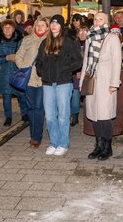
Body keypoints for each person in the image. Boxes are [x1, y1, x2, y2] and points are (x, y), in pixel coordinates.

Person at [35, 14, 83, 156]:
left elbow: (78, 61)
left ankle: (63, 143)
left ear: (61, 26)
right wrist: (42, 72)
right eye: (52, 23)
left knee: (63, 115)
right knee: (50, 116)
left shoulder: (68, 42)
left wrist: (65, 70)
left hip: (63, 83)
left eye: (57, 23)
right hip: (48, 83)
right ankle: (53, 142)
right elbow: (39, 61)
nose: (54, 26)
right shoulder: (45, 42)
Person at [80, 12, 122, 161]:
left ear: (106, 22)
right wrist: (82, 82)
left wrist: (114, 83)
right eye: (95, 19)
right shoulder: (90, 37)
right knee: (94, 116)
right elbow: (86, 60)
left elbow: (117, 62)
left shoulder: (112, 38)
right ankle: (98, 146)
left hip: (106, 82)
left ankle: (107, 147)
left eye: (100, 19)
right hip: (92, 81)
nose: (97, 21)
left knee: (104, 116)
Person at [15, 16, 49, 148]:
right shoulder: (28, 39)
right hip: (28, 79)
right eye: (37, 25)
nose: (39, 27)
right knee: (30, 107)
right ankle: (32, 132)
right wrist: (23, 67)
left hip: (42, 80)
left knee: (39, 108)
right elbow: (19, 55)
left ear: (47, 27)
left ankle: (36, 136)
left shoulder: (50, 40)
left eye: (42, 25)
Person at [0, 19, 27, 126]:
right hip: (3, 72)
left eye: (10, 27)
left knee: (21, 94)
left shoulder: (20, 40)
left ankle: (25, 114)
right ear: (2, 29)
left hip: (17, 71)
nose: (7, 29)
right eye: (5, 27)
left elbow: (25, 55)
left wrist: (17, 58)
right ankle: (8, 117)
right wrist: (5, 58)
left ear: (13, 29)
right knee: (6, 96)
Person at [71, 25, 89, 126]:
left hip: (87, 74)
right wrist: (76, 71)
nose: (83, 34)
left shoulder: (91, 44)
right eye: (81, 31)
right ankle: (75, 115)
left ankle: (89, 117)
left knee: (89, 96)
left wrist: (83, 71)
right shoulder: (74, 44)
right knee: (75, 93)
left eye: (85, 31)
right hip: (75, 74)